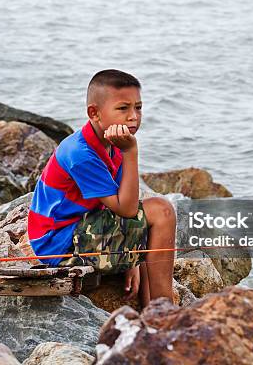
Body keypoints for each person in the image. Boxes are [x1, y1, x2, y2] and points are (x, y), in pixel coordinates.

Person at [27, 69, 176, 306]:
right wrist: (131, 152)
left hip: (82, 224)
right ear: (94, 113)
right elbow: (126, 210)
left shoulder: (111, 143)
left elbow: (119, 204)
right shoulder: (81, 153)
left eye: (138, 107)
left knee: (152, 212)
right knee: (161, 211)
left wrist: (132, 259)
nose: (133, 117)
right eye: (123, 108)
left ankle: (152, 312)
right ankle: (164, 311)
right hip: (59, 243)